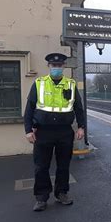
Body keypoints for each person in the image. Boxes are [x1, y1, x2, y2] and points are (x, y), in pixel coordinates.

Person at [24, 53, 85, 212]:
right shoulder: (39, 83)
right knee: (41, 166)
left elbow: (79, 108)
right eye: (53, 65)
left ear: (64, 66)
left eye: (59, 66)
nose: (56, 68)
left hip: (64, 132)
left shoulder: (70, 84)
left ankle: (61, 193)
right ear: (49, 67)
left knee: (63, 166)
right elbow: (29, 108)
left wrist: (81, 127)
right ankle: (41, 198)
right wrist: (28, 130)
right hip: (43, 132)